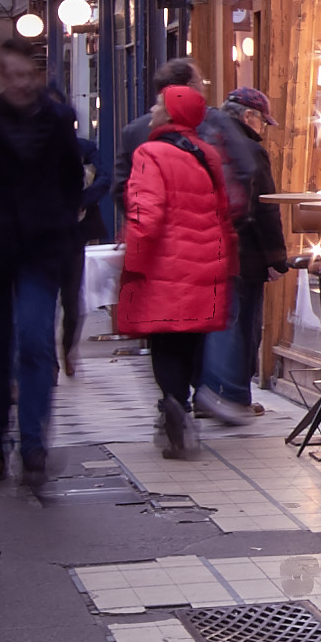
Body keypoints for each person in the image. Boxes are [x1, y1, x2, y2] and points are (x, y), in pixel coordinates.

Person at [0, 43, 91, 494]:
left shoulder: (56, 119)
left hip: (41, 246)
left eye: (29, 75)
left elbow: (72, 177)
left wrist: (65, 222)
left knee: (34, 339)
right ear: (0, 77)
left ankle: (33, 445)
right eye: (14, 76)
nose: (23, 84)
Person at [111, 73, 237, 457]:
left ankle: (174, 411)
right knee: (190, 340)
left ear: (169, 113)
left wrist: (131, 262)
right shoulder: (206, 153)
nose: (151, 110)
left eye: (157, 104)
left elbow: (143, 214)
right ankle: (181, 410)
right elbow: (223, 209)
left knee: (165, 343)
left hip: (165, 264)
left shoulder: (150, 155)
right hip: (204, 263)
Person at [200, 77, 282, 423]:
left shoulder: (203, 140)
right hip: (244, 254)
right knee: (242, 323)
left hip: (202, 251)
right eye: (262, 120)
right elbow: (265, 207)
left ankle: (204, 393)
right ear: (249, 117)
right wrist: (277, 257)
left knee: (212, 322)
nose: (263, 128)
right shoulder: (250, 149)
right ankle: (236, 395)